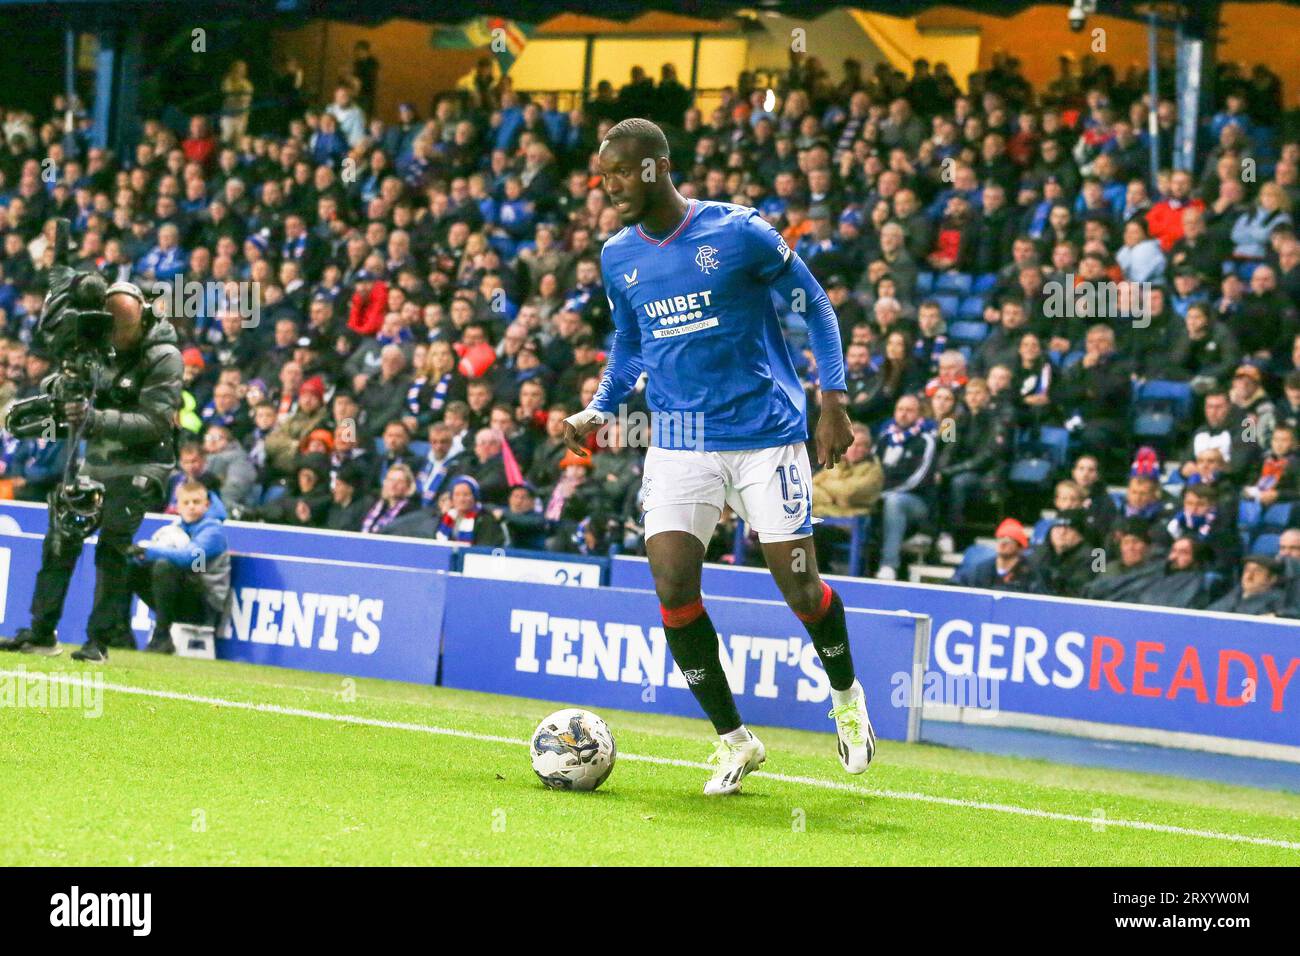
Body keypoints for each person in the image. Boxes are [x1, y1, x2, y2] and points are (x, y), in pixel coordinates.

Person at [561, 118, 866, 797]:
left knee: (800, 589)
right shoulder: (617, 256)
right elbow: (629, 344)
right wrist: (599, 407)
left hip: (765, 436)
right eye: (600, 174)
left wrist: (834, 399)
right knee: (671, 585)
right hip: (680, 441)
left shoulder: (738, 232)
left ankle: (845, 696)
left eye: (616, 172)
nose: (605, 186)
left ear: (654, 168)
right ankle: (736, 741)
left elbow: (815, 303)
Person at [0, 281, 182, 662]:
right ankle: (40, 631)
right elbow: (61, 378)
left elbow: (154, 421)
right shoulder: (93, 343)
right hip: (95, 459)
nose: (117, 343)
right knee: (60, 538)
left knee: (112, 544)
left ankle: (99, 641)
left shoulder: (164, 355)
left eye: (124, 333)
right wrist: (61, 388)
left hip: (143, 462)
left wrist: (97, 418)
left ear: (142, 321)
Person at [128, 480, 231, 654]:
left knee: (164, 567)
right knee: (129, 566)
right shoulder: (175, 528)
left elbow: (191, 561)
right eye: (186, 502)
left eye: (196, 502)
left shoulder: (213, 531)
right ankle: (119, 632)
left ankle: (161, 637)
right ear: (177, 506)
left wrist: (149, 552)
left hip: (205, 603)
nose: (191, 507)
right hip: (182, 595)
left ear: (206, 505)